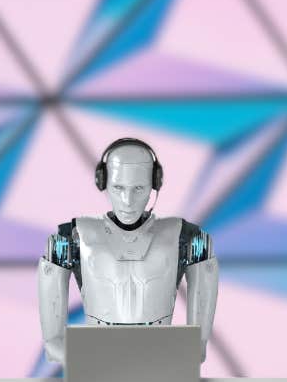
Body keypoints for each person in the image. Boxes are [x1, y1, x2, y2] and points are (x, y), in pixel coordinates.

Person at [37, 138, 219, 363]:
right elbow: (52, 342)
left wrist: (186, 355)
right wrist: (84, 365)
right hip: (96, 362)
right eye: (118, 187)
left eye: (139, 188)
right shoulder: (68, 239)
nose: (128, 200)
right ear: (103, 182)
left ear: (154, 183)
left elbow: (197, 346)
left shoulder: (190, 238)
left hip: (161, 361)